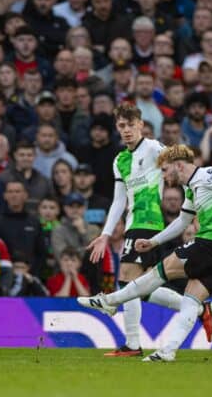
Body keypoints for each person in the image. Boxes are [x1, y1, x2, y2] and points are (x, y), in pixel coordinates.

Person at [80, 144, 212, 362]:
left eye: (164, 170)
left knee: (160, 271)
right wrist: (153, 241)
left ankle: (110, 300)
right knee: (191, 300)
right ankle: (168, 351)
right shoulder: (191, 188)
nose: (163, 176)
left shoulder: (208, 174)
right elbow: (183, 221)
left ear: (178, 165)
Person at [84, 103, 187, 357]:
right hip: (132, 223)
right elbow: (119, 200)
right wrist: (105, 235)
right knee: (142, 287)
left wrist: (193, 207)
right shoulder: (120, 160)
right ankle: (196, 307)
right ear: (117, 128)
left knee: (127, 279)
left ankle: (132, 344)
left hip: (149, 222)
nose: (127, 130)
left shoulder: (153, 148)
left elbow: (180, 164)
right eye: (122, 126)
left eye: (131, 125)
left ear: (141, 125)